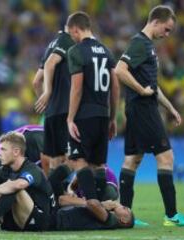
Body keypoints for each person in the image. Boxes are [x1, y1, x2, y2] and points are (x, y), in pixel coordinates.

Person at [114, 5, 184, 227]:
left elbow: (151, 84)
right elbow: (119, 70)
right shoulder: (140, 43)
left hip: (137, 108)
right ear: (156, 21)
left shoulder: (147, 46)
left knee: (133, 159)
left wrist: (169, 107)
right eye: (167, 29)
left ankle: (125, 217)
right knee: (166, 157)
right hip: (142, 109)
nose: (167, 34)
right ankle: (171, 216)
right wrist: (142, 91)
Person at [65, 11, 119, 201]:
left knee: (79, 161)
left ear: (75, 29)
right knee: (98, 164)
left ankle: (93, 207)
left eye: (71, 34)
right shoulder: (106, 51)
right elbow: (115, 86)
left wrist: (70, 118)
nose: (71, 38)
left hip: (84, 115)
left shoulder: (76, 51)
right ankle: (104, 205)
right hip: (103, 115)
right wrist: (113, 118)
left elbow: (77, 88)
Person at [33, 24, 75, 171]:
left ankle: (54, 193)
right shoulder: (67, 40)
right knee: (76, 158)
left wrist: (46, 105)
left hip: (51, 113)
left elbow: (36, 81)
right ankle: (70, 190)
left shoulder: (51, 45)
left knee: (55, 160)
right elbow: (51, 63)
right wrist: (48, 92)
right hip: (65, 108)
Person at [55, 199, 134, 231]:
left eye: (126, 209)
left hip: (59, 220)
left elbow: (92, 204)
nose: (124, 206)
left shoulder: (112, 221)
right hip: (59, 216)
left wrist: (103, 204)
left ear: (123, 220)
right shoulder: (107, 215)